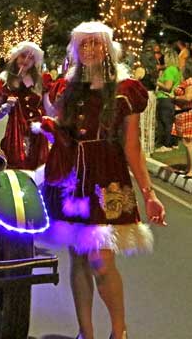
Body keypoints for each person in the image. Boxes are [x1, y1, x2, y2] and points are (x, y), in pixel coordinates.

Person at [40, 22, 166, 339]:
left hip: (106, 177)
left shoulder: (126, 91)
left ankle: (118, 331)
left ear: (108, 49)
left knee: (101, 262)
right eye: (84, 45)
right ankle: (86, 332)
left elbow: (133, 146)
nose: (91, 50)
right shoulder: (65, 88)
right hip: (70, 179)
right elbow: (59, 129)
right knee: (79, 260)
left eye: (96, 44)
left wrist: (149, 194)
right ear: (76, 51)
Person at [0, 41, 48, 170]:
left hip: (36, 135)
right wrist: (5, 108)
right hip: (11, 134)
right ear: (16, 57)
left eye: (31, 58)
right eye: (23, 56)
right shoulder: (2, 82)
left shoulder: (38, 83)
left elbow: (45, 108)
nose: (26, 60)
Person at [154, 48, 181, 151]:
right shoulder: (177, 70)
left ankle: (166, 144)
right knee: (171, 122)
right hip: (172, 99)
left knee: (165, 122)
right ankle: (174, 143)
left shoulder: (169, 70)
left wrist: (157, 82)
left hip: (165, 98)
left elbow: (168, 86)